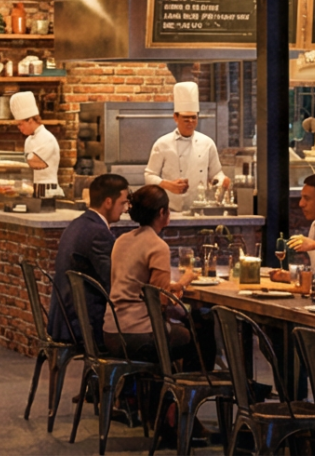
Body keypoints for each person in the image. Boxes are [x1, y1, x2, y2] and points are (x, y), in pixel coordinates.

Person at [107, 185, 203, 367]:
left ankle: (163, 388)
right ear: (162, 212)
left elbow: (135, 286)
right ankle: (188, 390)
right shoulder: (158, 246)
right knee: (195, 335)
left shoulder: (121, 240)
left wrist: (171, 286)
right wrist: (183, 282)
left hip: (111, 331)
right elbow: (160, 302)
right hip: (138, 335)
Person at [47, 174, 126, 344]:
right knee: (143, 336)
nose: (125, 209)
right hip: (83, 325)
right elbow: (113, 282)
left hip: (63, 320)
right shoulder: (98, 233)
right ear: (108, 202)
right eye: (123, 203)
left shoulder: (77, 224)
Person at [144, 82, 222, 211]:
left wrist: (221, 180)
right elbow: (149, 176)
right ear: (175, 117)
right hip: (169, 210)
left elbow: (216, 173)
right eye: (186, 119)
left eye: (194, 118)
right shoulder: (162, 143)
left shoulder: (207, 143)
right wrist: (168, 185)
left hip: (200, 209)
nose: (190, 122)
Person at [12, 91, 63, 198]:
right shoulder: (28, 140)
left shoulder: (47, 138)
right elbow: (27, 168)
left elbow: (35, 163)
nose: (19, 128)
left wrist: (13, 161)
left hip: (48, 191)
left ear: (30, 120)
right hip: (32, 189)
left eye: (20, 124)